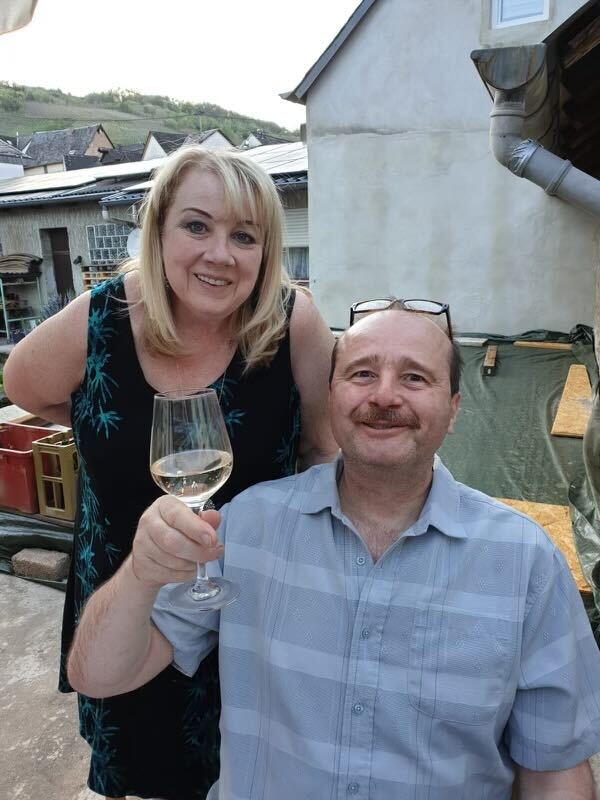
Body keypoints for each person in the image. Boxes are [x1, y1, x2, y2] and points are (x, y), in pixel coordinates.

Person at [66, 308, 600, 799]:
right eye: (362, 373)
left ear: (455, 409)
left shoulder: (525, 561)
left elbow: (556, 769)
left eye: (415, 377)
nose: (385, 395)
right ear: (331, 395)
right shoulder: (246, 527)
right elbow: (99, 676)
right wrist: (140, 573)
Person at [3, 146, 338, 800]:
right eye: (196, 226)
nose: (220, 253)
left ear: (267, 252)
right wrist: (105, 431)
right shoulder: (107, 315)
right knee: (140, 763)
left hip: (248, 604)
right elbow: (24, 384)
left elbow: (323, 452)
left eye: (244, 236)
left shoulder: (291, 321)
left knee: (248, 770)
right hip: (123, 600)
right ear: (157, 232)